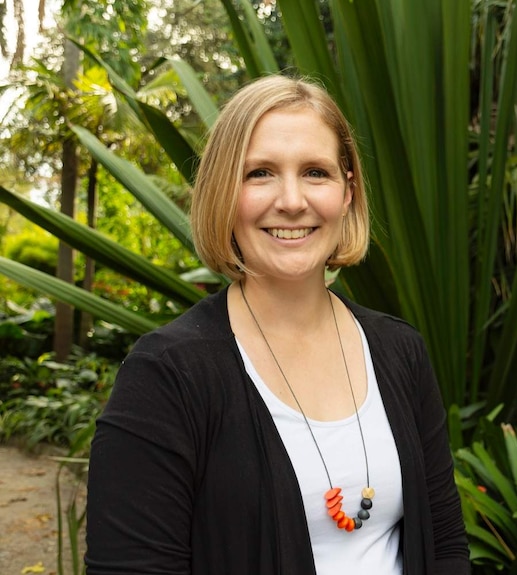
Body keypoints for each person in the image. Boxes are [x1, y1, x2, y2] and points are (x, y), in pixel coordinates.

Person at [85, 75, 470, 574]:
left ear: (347, 192)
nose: (291, 201)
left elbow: (444, 544)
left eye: (315, 172)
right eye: (260, 173)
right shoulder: (167, 375)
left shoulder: (400, 351)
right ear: (224, 191)